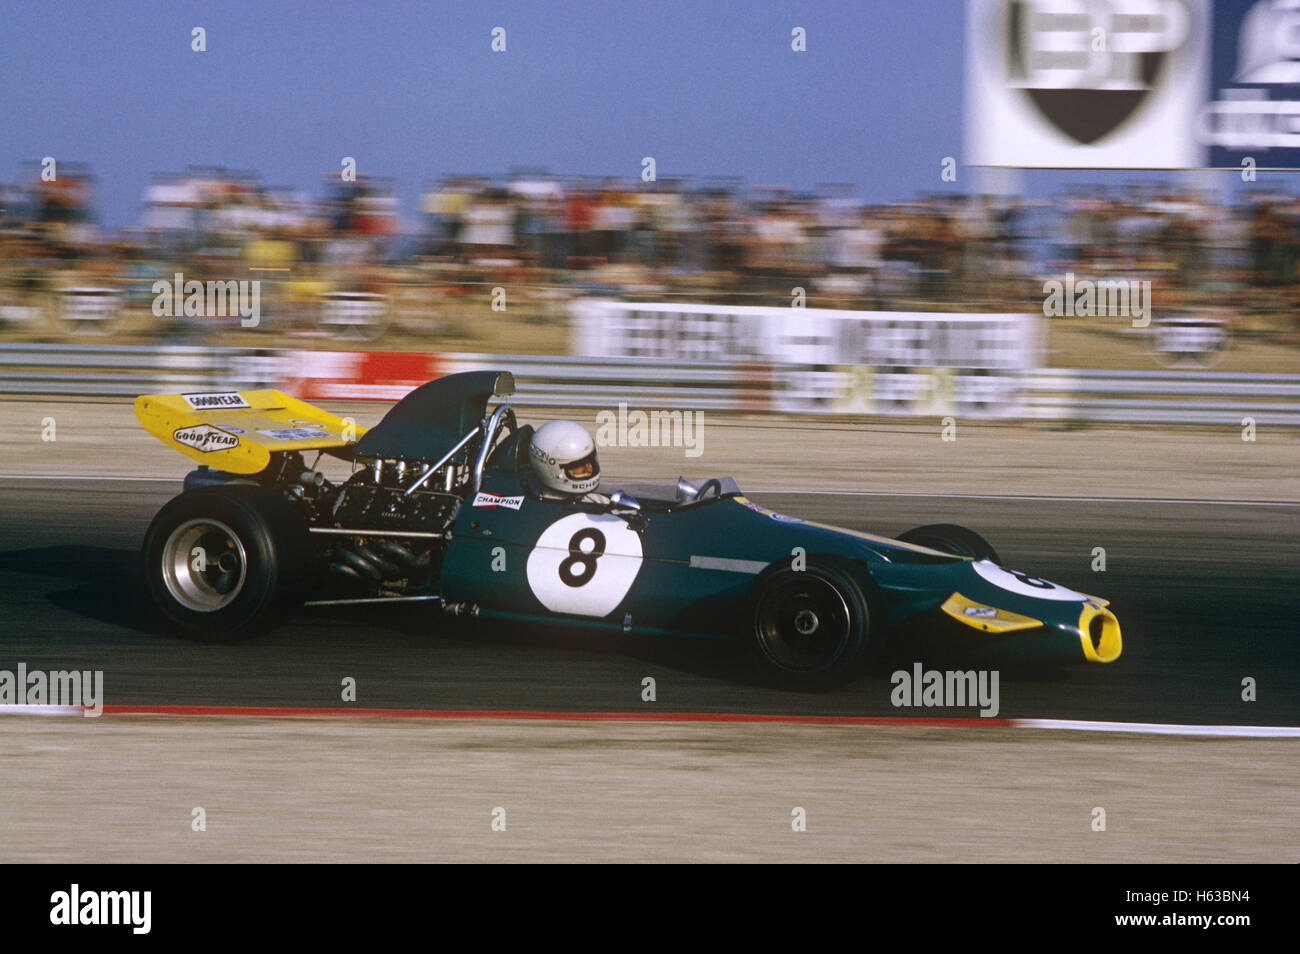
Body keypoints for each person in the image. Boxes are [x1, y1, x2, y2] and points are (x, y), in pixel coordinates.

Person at [526, 420, 609, 506]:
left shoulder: (599, 501)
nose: (590, 468)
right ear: (554, 470)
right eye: (580, 466)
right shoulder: (543, 509)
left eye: (591, 461)